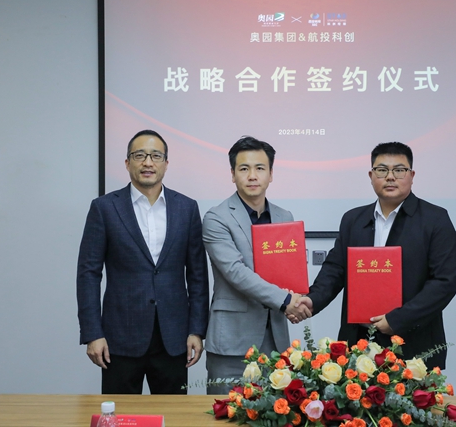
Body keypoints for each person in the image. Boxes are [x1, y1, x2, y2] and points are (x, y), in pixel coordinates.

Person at [295, 142, 456, 369]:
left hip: (414, 345)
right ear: (371, 176)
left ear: (412, 175)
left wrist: (397, 320)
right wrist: (312, 299)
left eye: (399, 170)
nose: (390, 177)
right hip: (358, 344)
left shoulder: (435, 219)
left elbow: (444, 282)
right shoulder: (353, 219)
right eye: (382, 170)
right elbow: (335, 269)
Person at [76, 129, 209, 394]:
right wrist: (92, 333)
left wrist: (197, 330)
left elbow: (197, 276)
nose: (148, 162)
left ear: (166, 163)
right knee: (120, 413)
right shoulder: (104, 208)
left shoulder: (187, 208)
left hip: (173, 337)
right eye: (140, 155)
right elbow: (88, 274)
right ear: (127, 163)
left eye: (156, 156)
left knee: (174, 414)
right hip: (119, 338)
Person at [202, 136, 311, 394]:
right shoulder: (216, 218)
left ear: (271, 174)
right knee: (226, 412)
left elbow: (288, 272)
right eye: (244, 168)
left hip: (276, 339)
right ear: (232, 174)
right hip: (232, 340)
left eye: (260, 168)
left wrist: (296, 300)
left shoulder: (284, 217)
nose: (252, 176)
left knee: (277, 411)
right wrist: (287, 300)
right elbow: (236, 272)